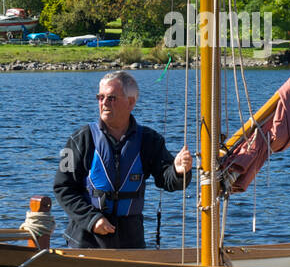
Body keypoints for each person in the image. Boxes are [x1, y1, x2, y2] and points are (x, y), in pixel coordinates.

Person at [54, 70, 192, 250]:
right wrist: (92, 219)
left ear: (131, 102)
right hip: (87, 239)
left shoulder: (150, 141)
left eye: (111, 98)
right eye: (100, 97)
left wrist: (179, 171)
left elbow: (168, 181)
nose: (103, 103)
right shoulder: (80, 139)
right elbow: (63, 188)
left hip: (130, 240)